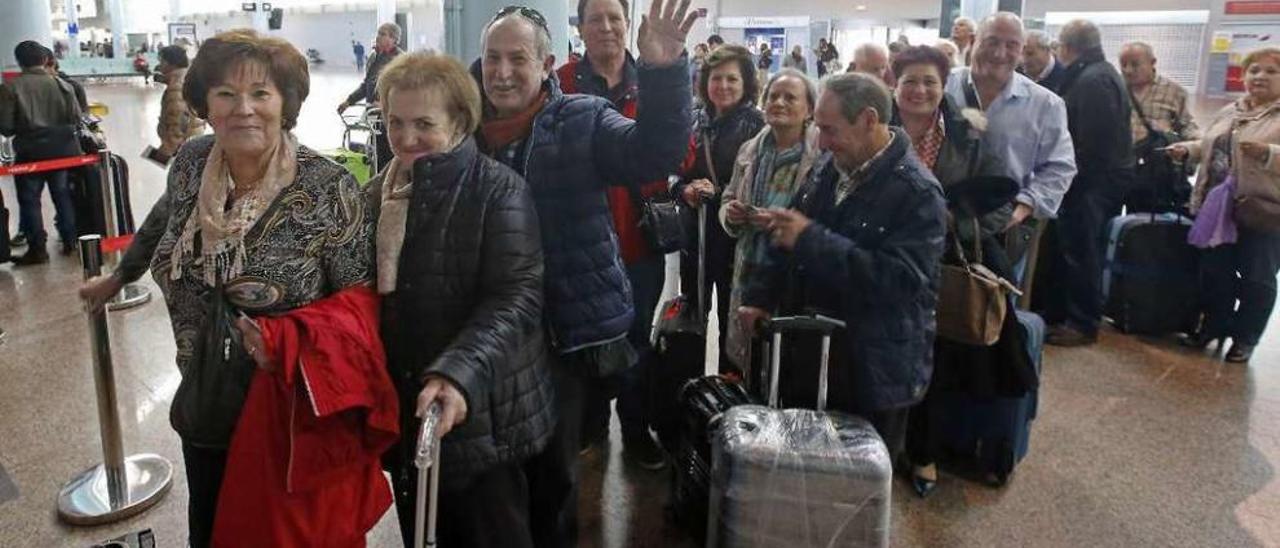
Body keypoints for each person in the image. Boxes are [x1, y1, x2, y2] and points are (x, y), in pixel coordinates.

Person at [77, 29, 380, 547]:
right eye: (226, 94)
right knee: (214, 522)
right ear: (206, 105)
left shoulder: (328, 187)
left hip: (288, 410)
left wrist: (287, 345)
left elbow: (359, 307)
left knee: (287, 531)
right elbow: (161, 220)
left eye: (261, 93)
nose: (244, 109)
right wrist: (119, 276)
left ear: (285, 103)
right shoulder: (195, 161)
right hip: (204, 391)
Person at [473, 3, 697, 544]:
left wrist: (665, 72)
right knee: (487, 477)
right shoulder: (464, 129)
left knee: (554, 473)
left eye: (517, 59)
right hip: (482, 329)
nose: (502, 72)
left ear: (548, 62)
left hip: (560, 331)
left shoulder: (582, 118)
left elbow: (654, 153)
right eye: (492, 59)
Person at [369, 51, 556, 548]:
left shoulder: (498, 192)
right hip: (412, 418)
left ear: (459, 122)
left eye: (424, 123)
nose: (407, 139)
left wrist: (458, 372)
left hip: (484, 418)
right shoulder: (375, 197)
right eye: (396, 122)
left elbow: (516, 298)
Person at [737, 72, 946, 461]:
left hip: (872, 370)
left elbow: (899, 282)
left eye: (830, 130)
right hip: (815, 355)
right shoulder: (831, 167)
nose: (822, 141)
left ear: (868, 120)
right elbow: (788, 231)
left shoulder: (918, 194)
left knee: (855, 489)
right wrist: (760, 296)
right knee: (805, 475)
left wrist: (811, 240)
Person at [890, 45, 1026, 497]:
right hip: (885, 258)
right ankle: (882, 443)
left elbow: (1000, 201)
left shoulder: (969, 132)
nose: (920, 90)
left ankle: (925, 451)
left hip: (947, 262)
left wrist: (957, 223)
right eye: (910, 80)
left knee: (937, 355)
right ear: (895, 83)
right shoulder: (875, 124)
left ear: (943, 83)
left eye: (929, 81)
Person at [557, 0, 675, 468]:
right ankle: (589, 424)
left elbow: (678, 151)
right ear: (581, 28)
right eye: (595, 19)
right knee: (580, 338)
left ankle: (634, 427)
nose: (606, 27)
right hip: (576, 244)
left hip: (636, 241)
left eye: (615, 18)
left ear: (628, 26)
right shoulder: (561, 83)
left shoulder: (655, 80)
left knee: (636, 342)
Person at [944, 12, 1076, 289]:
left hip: (1003, 227)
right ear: (973, 41)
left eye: (1012, 45)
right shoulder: (943, 85)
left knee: (994, 309)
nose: (1000, 53)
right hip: (941, 220)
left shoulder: (1046, 105)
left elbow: (1060, 166)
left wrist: (1025, 205)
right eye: (991, 41)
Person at [1170, 47, 1280, 364]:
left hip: (1262, 210)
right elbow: (1210, 145)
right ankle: (1213, 326)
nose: (1260, 76)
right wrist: (1187, 150)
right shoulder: (1232, 110)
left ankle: (1246, 338)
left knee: (1257, 277)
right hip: (1217, 209)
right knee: (1214, 273)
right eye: (1254, 70)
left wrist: (1269, 153)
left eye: (1271, 71)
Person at [718, 68, 820, 376]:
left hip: (795, 276)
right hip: (748, 269)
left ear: (810, 109)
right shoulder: (750, 150)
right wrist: (732, 214)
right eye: (773, 96)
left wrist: (783, 224)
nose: (779, 103)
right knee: (749, 358)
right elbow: (728, 197)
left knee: (787, 365)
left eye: (790, 97)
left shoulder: (821, 156)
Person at [672, 44, 765, 375]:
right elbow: (672, 169)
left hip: (734, 241)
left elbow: (761, 188)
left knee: (732, 321)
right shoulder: (693, 119)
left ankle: (727, 397)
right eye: (716, 78)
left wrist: (719, 192)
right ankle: (690, 392)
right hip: (694, 236)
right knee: (692, 319)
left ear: (746, 83)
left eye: (732, 79)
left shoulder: (759, 127)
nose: (723, 86)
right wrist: (682, 188)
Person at [1043, 19, 1135, 347]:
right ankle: (1072, 315)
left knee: (1083, 251)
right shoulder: (1101, 73)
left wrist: (1067, 175)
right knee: (1080, 249)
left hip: (1092, 182)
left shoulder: (1093, 80)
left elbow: (1094, 142)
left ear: (1066, 48)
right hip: (1097, 179)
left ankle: (1082, 323)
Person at [0, 41, 81, 264]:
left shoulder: (10, 88)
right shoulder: (63, 85)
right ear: (45, 60)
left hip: (30, 151)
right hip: (61, 150)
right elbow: (75, 118)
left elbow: (5, 126)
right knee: (62, 195)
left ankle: (37, 249)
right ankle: (70, 241)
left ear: (18, 61)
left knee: (29, 200)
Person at [1120, 40, 1199, 213]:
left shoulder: (1174, 91)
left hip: (1152, 170)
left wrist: (1192, 148)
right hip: (1118, 168)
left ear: (1152, 63)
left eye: (1135, 64)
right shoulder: (1114, 88)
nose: (1128, 70)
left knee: (1143, 221)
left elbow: (1186, 125)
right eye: (1123, 64)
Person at [338, 22, 403, 172]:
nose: (377, 37)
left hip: (390, 118)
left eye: (382, 34)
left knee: (388, 155)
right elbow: (366, 85)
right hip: (374, 116)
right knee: (375, 153)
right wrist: (349, 101)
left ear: (393, 38)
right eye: (378, 33)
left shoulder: (400, 60)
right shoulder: (376, 58)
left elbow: (404, 89)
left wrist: (386, 104)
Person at [155, 45, 205, 158]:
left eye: (162, 61)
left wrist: (164, 153)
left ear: (170, 63)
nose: (160, 65)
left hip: (183, 148)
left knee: (182, 175)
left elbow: (178, 120)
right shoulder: (188, 78)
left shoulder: (177, 86)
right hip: (192, 141)